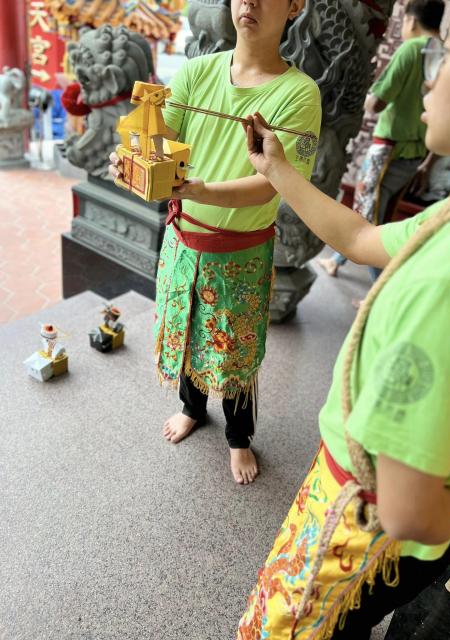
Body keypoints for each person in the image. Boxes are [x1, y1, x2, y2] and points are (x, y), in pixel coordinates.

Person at [237, 0, 450, 636]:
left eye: (447, 49)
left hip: (363, 525)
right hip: (403, 523)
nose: (429, 74)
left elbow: (406, 509)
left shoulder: (449, 277)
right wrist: (277, 168)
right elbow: (363, 238)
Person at [109, 0, 321, 484]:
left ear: (294, 5)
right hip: (182, 240)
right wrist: (134, 154)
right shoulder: (197, 71)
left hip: (240, 251)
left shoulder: (298, 93)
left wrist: (199, 189)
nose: (249, 2)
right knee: (186, 333)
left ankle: (239, 436)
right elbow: (163, 141)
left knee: (234, 351)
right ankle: (191, 408)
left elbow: (271, 184)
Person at [319, 0, 444, 281]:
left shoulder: (412, 49)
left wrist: (361, 95)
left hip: (388, 150)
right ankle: (336, 262)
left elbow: (377, 103)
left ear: (411, 20)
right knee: (378, 212)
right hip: (416, 154)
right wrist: (428, 164)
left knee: (370, 219)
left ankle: (379, 291)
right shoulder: (444, 53)